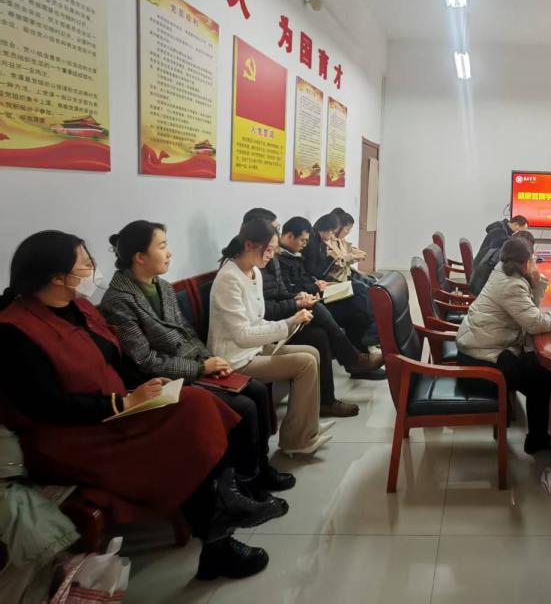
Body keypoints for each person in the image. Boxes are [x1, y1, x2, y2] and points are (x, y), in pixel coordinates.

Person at [0, 231, 271, 579]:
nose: (94, 269)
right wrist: (122, 401)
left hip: (119, 413)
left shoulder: (79, 308)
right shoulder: (15, 331)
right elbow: (45, 406)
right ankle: (220, 532)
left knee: (196, 403)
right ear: (57, 277)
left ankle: (225, 505)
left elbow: (115, 359)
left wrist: (144, 389)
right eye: (85, 263)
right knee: (185, 432)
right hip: (73, 438)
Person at [99, 220, 295, 505]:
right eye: (162, 246)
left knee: (255, 391)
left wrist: (208, 359)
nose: (169, 253)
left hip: (194, 364)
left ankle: (259, 469)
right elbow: (144, 360)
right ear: (139, 257)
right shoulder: (119, 300)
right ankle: (244, 484)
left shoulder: (162, 287)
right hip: (163, 379)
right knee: (245, 406)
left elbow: (187, 333)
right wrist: (200, 368)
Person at [208, 219, 331, 457]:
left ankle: (307, 428)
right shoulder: (229, 279)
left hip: (254, 348)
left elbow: (258, 320)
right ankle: (296, 440)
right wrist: (288, 323)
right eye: (269, 250)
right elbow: (242, 335)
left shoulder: (254, 272)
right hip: (234, 359)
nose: (272, 256)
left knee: (312, 353)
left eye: (274, 250)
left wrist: (292, 321)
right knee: (305, 363)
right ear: (250, 245)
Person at [456, 237, 551, 453]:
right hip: (480, 362)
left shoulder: (503, 272)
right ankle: (539, 439)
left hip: (482, 348)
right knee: (542, 374)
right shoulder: (511, 284)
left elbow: (530, 311)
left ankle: (545, 433)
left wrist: (537, 281)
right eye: (533, 259)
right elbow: (535, 323)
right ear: (526, 262)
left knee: (540, 369)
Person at [246, 208, 383, 383]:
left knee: (357, 299)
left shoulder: (273, 259)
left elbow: (284, 291)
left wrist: (303, 294)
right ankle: (356, 357)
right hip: (276, 320)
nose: (276, 236)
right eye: (274, 230)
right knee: (331, 314)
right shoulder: (260, 265)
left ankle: (359, 359)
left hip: (298, 302)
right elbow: (264, 308)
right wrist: (300, 299)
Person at [278, 216, 384, 394]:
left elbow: (305, 277)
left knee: (358, 297)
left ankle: (360, 357)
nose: (305, 244)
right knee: (356, 303)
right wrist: (314, 286)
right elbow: (288, 290)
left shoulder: (293, 254)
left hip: (313, 295)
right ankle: (361, 352)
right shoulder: (279, 258)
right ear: (289, 236)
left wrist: (315, 282)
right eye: (303, 240)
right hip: (307, 303)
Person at [303, 213, 380, 349]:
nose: (332, 236)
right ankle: (373, 327)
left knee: (363, 289)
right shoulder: (313, 244)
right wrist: (332, 259)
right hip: (321, 289)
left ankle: (373, 327)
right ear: (326, 229)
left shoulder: (320, 242)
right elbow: (316, 272)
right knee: (359, 290)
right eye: (332, 232)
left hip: (324, 284)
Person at [469, 230, 535, 296]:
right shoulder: (506, 261)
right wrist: (533, 277)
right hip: (481, 293)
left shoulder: (504, 252)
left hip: (478, 289)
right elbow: (518, 285)